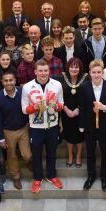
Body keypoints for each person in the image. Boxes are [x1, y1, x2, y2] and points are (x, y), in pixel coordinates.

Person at [21, 59, 64, 193]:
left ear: (49, 71)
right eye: (40, 71)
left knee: (52, 153)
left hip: (52, 126)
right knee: (37, 154)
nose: (43, 73)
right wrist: (34, 107)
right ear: (35, 72)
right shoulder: (27, 87)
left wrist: (57, 106)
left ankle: (52, 176)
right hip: (36, 128)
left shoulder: (57, 84)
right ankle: (38, 178)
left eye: (45, 70)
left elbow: (62, 103)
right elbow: (24, 109)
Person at [79, 59, 106, 192]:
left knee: (105, 153)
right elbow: (82, 107)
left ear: (103, 73)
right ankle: (91, 176)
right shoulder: (84, 87)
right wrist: (82, 125)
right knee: (90, 152)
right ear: (90, 73)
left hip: (105, 126)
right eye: (94, 72)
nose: (96, 75)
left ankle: (104, 178)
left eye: (99, 72)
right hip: (89, 127)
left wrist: (104, 107)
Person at [0, 71, 31, 190]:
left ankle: (29, 163)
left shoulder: (22, 92)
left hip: (23, 128)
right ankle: (16, 177)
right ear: (2, 82)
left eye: (11, 80)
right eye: (6, 80)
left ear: (15, 80)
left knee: (27, 155)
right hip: (8, 132)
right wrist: (0, 138)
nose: (9, 83)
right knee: (12, 156)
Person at [58, 57, 87, 168]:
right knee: (69, 136)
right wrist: (66, 109)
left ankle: (78, 156)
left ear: (80, 68)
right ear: (68, 67)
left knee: (80, 136)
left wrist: (78, 110)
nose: (74, 69)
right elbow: (58, 96)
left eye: (76, 67)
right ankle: (70, 156)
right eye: (72, 66)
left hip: (81, 112)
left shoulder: (86, 78)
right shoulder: (61, 78)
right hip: (66, 112)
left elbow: (86, 96)